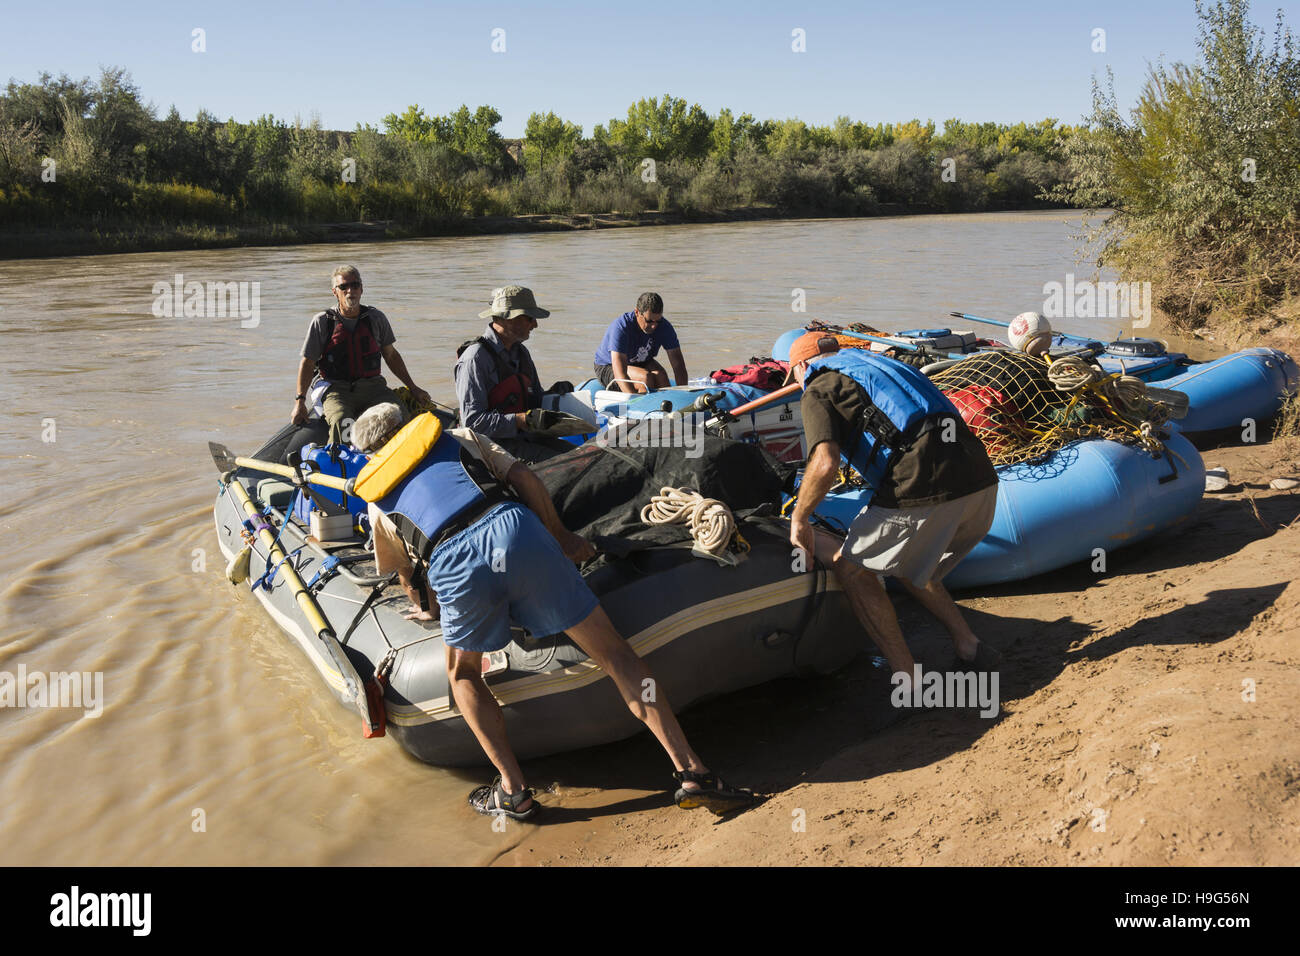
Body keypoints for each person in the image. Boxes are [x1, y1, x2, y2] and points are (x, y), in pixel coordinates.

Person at [351, 402, 756, 820]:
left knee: (464, 674)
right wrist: (560, 536)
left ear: (370, 455)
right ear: (407, 426)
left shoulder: (378, 498)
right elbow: (524, 476)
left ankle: (513, 791)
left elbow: (406, 572)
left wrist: (429, 608)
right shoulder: (459, 439)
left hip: (451, 561)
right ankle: (693, 772)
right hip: (512, 528)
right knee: (617, 656)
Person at [783, 332, 1001, 684]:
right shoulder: (882, 364)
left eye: (792, 376)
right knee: (911, 557)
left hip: (924, 482)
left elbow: (825, 463)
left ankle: (908, 680)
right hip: (981, 478)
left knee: (851, 568)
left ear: (802, 366)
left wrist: (800, 518)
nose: (795, 383)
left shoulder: (817, 387)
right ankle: (969, 645)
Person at [292, 265, 432, 446]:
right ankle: (339, 463)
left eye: (355, 285)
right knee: (342, 421)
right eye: (344, 287)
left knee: (399, 414)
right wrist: (300, 402)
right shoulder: (322, 322)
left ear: (362, 289)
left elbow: (391, 355)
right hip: (336, 389)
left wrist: (413, 387)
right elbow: (308, 363)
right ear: (335, 292)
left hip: (372, 386)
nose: (350, 291)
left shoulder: (376, 318)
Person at [454, 285, 579, 462]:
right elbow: (473, 423)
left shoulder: (521, 352)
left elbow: (532, 400)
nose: (535, 324)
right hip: (492, 445)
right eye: (529, 318)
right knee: (567, 464)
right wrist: (520, 420)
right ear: (507, 319)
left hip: (526, 437)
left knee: (584, 456)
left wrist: (554, 394)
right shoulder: (475, 359)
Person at [593, 292, 688, 393]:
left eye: (658, 321)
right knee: (645, 378)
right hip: (608, 366)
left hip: (641, 361)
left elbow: (679, 366)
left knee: (661, 376)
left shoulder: (664, 327)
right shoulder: (621, 327)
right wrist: (631, 400)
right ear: (637, 312)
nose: (654, 326)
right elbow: (619, 373)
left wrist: (683, 394)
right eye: (649, 321)